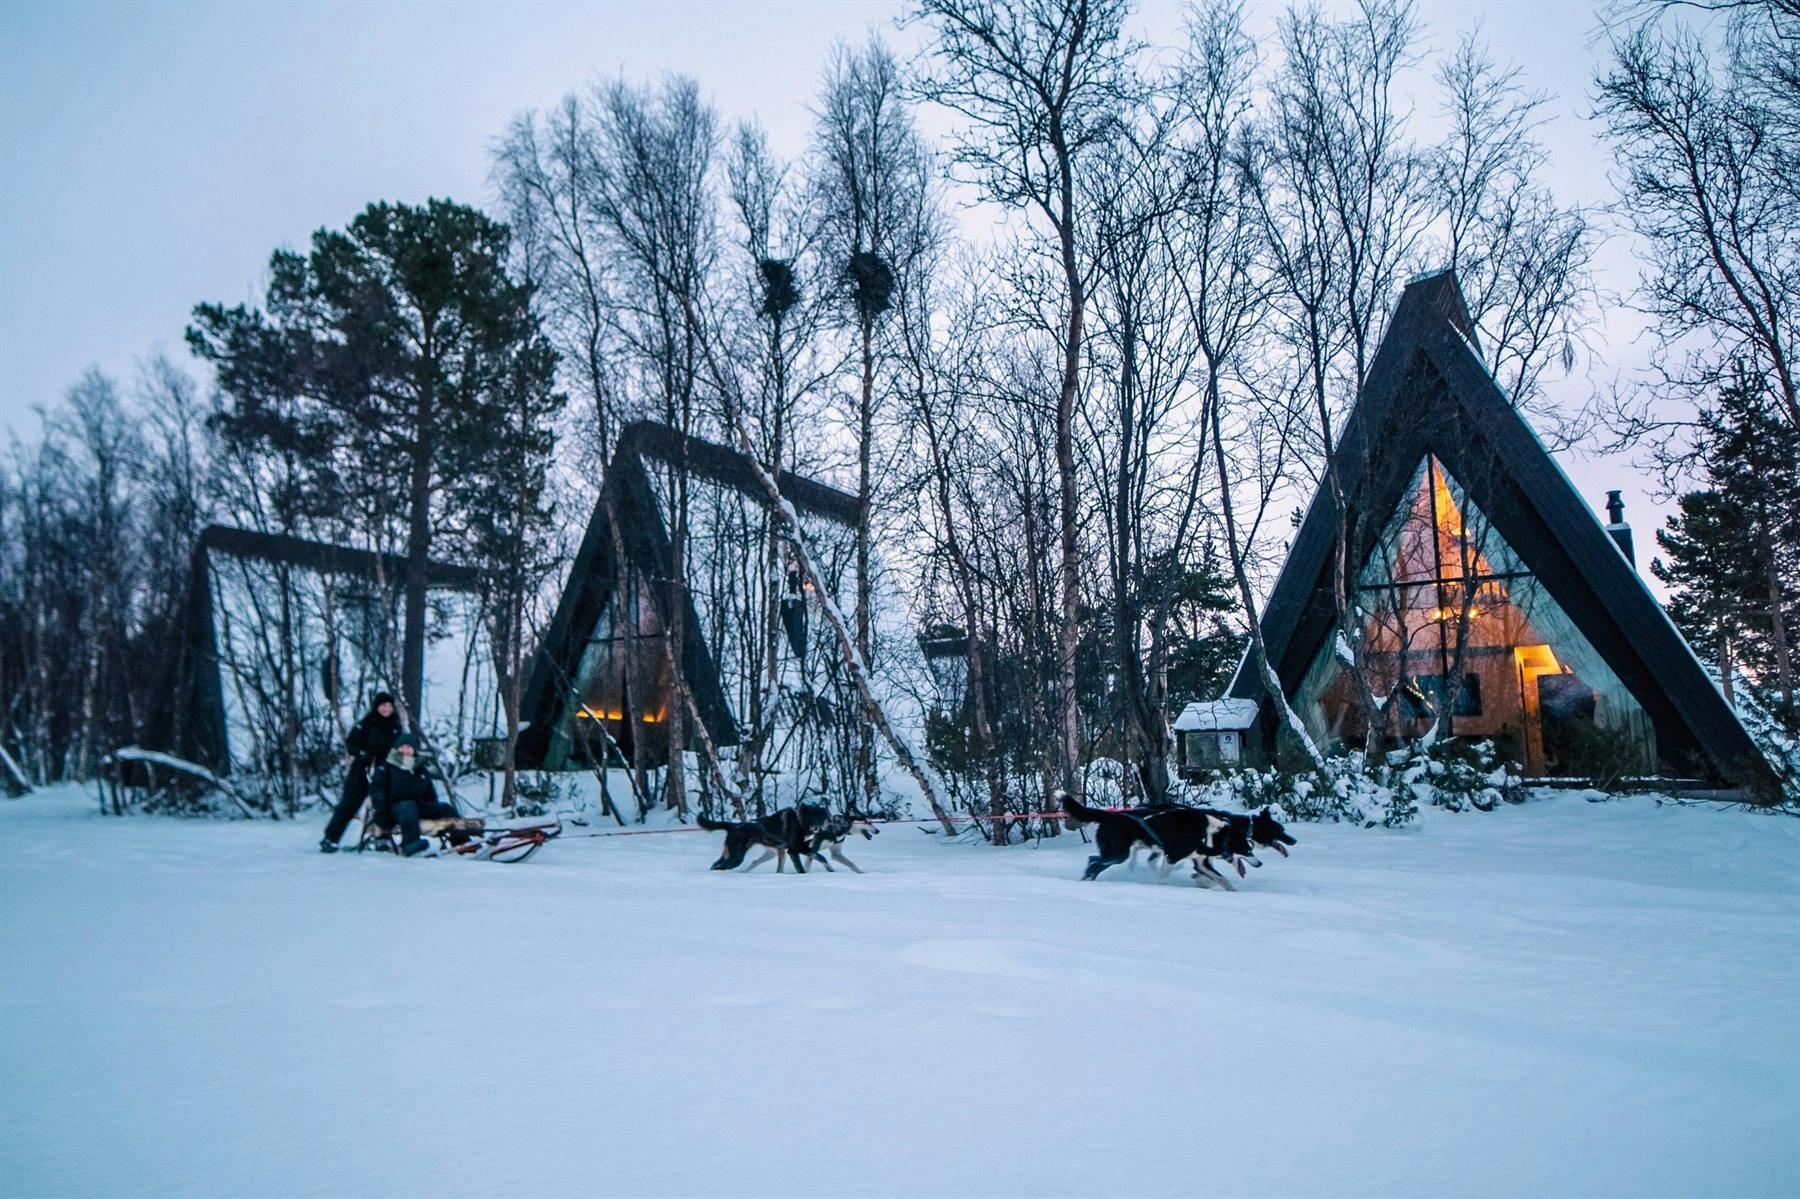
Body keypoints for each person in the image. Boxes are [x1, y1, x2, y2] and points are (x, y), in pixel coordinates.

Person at [319, 692, 400, 852]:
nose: (386, 709)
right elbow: (352, 744)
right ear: (377, 707)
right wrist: (364, 755)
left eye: (389, 706)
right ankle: (331, 838)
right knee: (349, 803)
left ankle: (382, 837)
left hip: (385, 772)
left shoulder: (395, 726)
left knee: (383, 804)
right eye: (383, 706)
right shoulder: (367, 724)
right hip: (362, 770)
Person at [368, 732, 458, 857]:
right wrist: (381, 815)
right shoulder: (386, 767)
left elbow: (430, 795)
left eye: (409, 747)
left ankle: (462, 843)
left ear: (414, 749)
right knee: (408, 805)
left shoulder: (420, 769)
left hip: (417, 807)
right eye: (403, 747)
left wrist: (433, 809)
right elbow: (377, 792)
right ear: (397, 748)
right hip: (392, 808)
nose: (406, 750)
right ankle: (410, 843)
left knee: (446, 808)